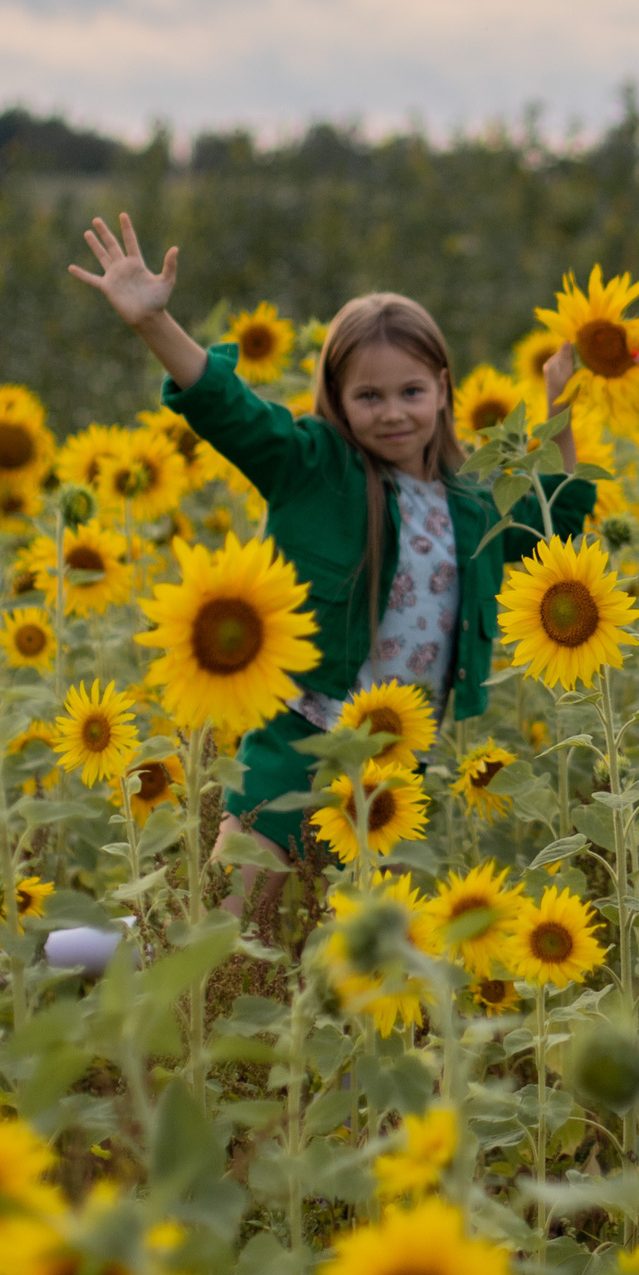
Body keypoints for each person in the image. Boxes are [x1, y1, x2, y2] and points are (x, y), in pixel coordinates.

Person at [70, 214, 596, 861]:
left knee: (335, 949)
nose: (394, 411)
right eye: (369, 395)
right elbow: (228, 409)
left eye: (411, 390)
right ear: (338, 400)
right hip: (300, 741)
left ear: (442, 388)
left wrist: (561, 410)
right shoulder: (315, 468)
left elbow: (554, 526)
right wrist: (154, 321)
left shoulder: (472, 506)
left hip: (400, 763)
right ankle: (60, 956)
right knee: (238, 940)